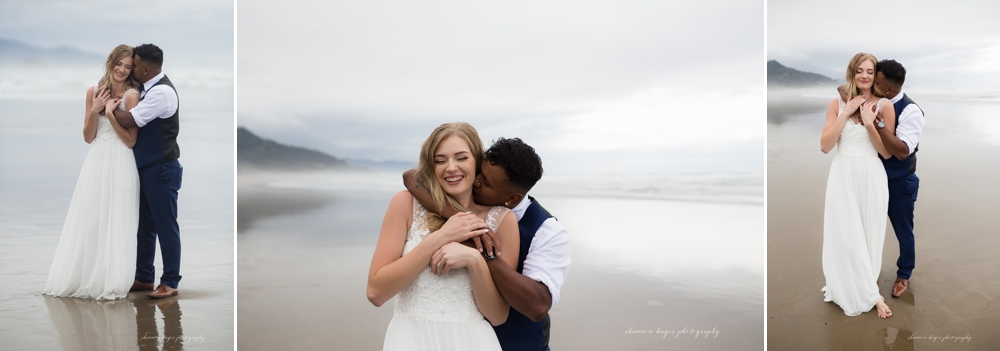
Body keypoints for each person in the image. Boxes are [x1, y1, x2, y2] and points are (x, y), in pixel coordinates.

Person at [403, 137, 571, 351]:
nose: (476, 182)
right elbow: (411, 177)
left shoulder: (548, 231)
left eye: (487, 183)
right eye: (480, 173)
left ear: (512, 199)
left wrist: (480, 249)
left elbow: (537, 305)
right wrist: (462, 219)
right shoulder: (462, 201)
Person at [367, 122, 520, 350]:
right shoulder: (405, 204)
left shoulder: (503, 220)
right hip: (410, 339)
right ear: (430, 166)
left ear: (477, 162)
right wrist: (441, 237)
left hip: (471, 342)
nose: (450, 168)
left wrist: (474, 260)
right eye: (440, 160)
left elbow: (498, 315)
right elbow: (376, 292)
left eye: (461, 158)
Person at [42, 44, 141, 300]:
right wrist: (97, 109)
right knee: (91, 219)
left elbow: (130, 141)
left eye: (127, 66)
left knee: (117, 219)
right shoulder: (93, 92)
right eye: (118, 64)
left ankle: (111, 278)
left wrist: (112, 113)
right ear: (110, 63)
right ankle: (88, 276)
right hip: (96, 159)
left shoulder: (132, 96)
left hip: (120, 159)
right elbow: (88, 137)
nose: (122, 70)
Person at [839, 59, 924, 299]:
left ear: (888, 89)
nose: (871, 84)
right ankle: (865, 272)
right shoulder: (873, 99)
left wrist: (877, 122)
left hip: (899, 182)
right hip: (870, 178)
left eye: (876, 82)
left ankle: (904, 275)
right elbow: (843, 89)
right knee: (864, 227)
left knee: (903, 231)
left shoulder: (910, 110)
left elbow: (901, 151)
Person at [819, 52, 895, 318]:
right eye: (859, 70)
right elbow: (825, 146)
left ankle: (869, 290)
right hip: (843, 174)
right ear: (852, 73)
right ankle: (857, 290)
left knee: (867, 233)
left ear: (876, 76)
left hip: (871, 174)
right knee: (845, 232)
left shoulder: (885, 106)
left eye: (870, 71)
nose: (864, 75)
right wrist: (847, 112)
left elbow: (886, 154)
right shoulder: (835, 104)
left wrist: (869, 123)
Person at [111, 43, 183, 299]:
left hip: (162, 167)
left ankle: (171, 281)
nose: (130, 70)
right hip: (146, 167)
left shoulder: (161, 92)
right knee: (145, 226)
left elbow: (131, 119)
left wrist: (108, 109)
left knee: (165, 226)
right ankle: (143, 277)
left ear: (144, 68)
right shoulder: (147, 88)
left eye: (133, 66)